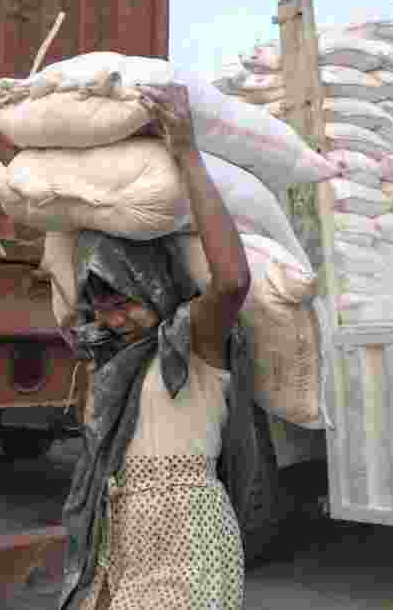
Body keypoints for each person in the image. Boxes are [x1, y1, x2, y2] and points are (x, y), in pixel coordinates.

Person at [57, 83, 258, 610]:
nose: (111, 317)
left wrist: (186, 151)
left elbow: (233, 280)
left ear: (156, 285)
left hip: (189, 539)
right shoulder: (109, 364)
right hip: (118, 536)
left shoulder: (196, 343)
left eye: (124, 301)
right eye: (100, 305)